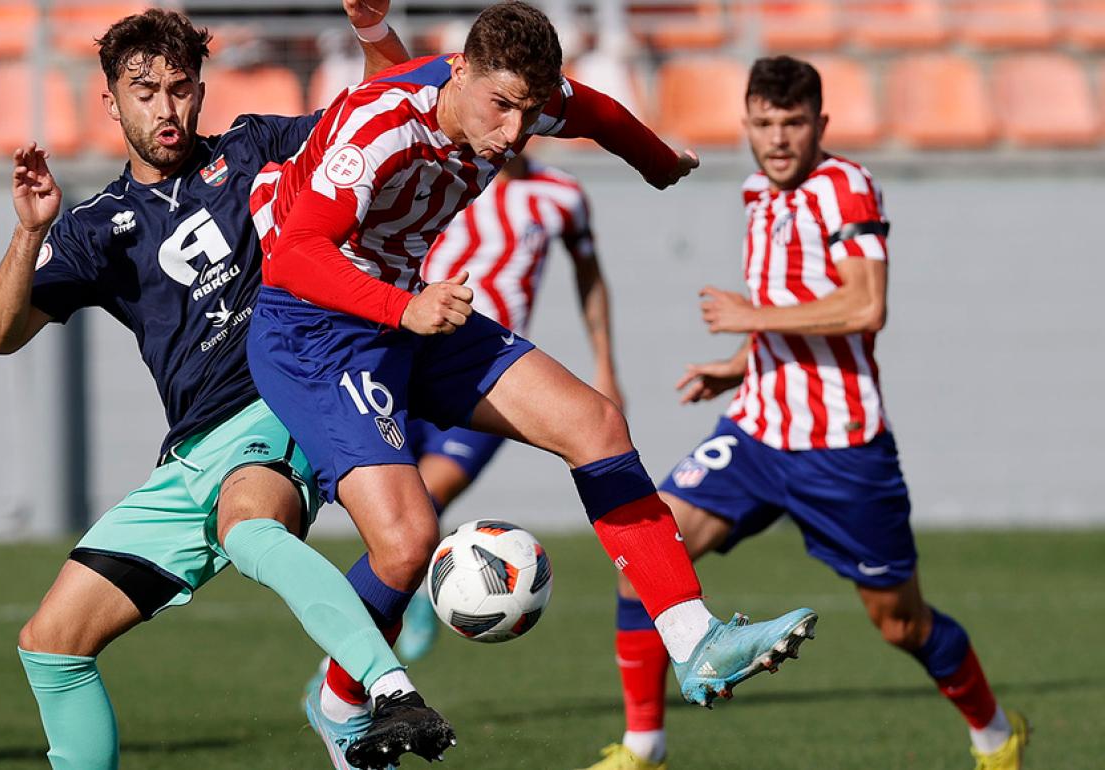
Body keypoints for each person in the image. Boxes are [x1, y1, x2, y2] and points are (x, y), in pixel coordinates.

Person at [246, 4, 818, 765]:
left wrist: (652, 161)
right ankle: (342, 703)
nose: (516, 133)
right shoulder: (378, 127)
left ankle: (695, 641)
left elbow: (599, 112)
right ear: (460, 71)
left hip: (409, 315)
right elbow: (291, 258)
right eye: (502, 107)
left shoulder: (520, 102)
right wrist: (402, 306)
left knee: (595, 425)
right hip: (315, 333)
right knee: (408, 540)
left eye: (530, 110)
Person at [0, 6, 456, 769]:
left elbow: (380, 107)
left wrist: (371, 31)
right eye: (145, 92)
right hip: (188, 458)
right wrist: (30, 229)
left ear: (201, 88)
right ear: (109, 101)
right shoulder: (95, 227)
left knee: (248, 523)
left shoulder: (257, 147)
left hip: (282, 399)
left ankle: (384, 692)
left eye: (180, 88)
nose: (166, 109)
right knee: (51, 644)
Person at [582, 55, 1028, 770]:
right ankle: (644, 746)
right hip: (757, 431)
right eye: (765, 124)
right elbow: (800, 312)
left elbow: (865, 304)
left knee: (900, 624)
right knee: (642, 554)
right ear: (746, 126)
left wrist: (749, 318)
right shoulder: (758, 192)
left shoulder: (846, 188)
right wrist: (742, 367)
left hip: (842, 449)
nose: (779, 139)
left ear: (820, 123)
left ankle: (995, 734)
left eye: (793, 124)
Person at [395, 152, 624, 661]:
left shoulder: (561, 194)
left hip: (489, 377)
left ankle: (352, 663)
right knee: (396, 515)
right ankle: (377, 635)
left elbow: (590, 273)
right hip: (407, 358)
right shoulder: (436, 175)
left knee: (426, 501)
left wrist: (605, 364)